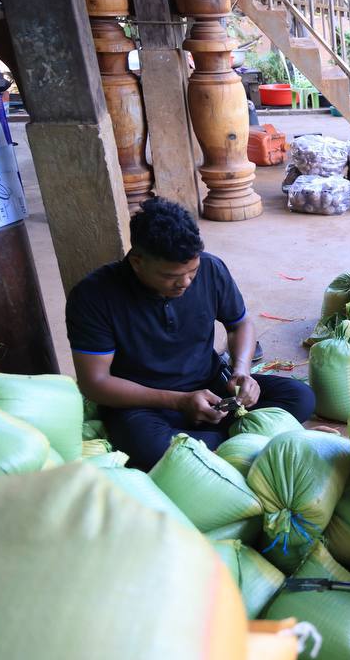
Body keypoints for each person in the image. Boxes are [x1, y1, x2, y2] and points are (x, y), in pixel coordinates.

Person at [66, 198, 315, 469]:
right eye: (170, 276)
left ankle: (211, 446)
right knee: (148, 447)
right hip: (144, 404)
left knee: (300, 397)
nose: (185, 282)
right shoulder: (94, 296)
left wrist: (241, 371)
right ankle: (235, 442)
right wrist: (179, 401)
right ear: (137, 262)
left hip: (211, 387)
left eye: (192, 272)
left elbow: (240, 324)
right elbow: (95, 382)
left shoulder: (210, 268)